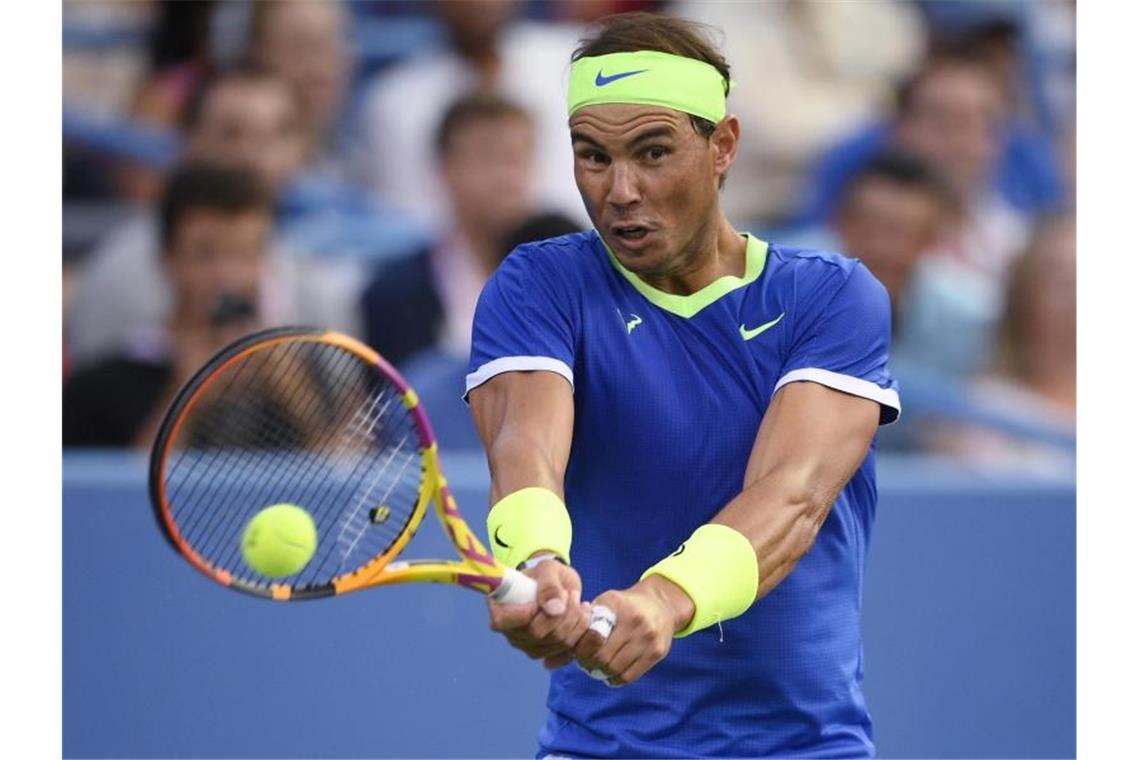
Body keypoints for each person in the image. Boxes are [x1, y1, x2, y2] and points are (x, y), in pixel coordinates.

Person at [466, 13, 900, 757]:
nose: (621, 190)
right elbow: (525, 446)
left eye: (654, 152)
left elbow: (792, 496)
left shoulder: (831, 298)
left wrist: (666, 601)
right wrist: (539, 562)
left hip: (800, 747)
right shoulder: (539, 284)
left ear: (722, 146)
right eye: (592, 156)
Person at [65, 66, 362, 368]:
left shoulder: (316, 284)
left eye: (273, 135)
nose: (252, 155)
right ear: (190, 139)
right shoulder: (122, 271)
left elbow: (349, 410)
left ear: (298, 149)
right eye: (231, 133)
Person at [64, 164, 273, 448]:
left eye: (244, 253)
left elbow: (343, 480)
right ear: (168, 258)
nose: (226, 274)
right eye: (205, 254)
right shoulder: (97, 390)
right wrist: (188, 394)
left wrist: (296, 394)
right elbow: (119, 489)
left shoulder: (303, 375)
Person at [361, 93, 539, 366]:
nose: (508, 177)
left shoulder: (569, 280)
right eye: (488, 158)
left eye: (517, 158)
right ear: (445, 168)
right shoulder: (392, 294)